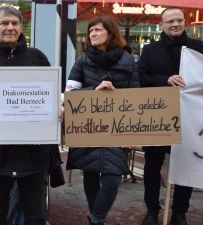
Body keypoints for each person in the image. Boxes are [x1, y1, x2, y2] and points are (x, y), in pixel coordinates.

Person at [0, 6, 63, 225]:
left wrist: (58, 110)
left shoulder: (37, 57)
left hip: (32, 154)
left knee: (35, 215)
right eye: (4, 23)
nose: (10, 27)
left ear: (21, 27)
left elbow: (51, 96)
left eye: (15, 23)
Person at [65, 16, 139, 225]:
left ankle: (97, 219)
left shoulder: (128, 62)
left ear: (111, 33)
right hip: (88, 128)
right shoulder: (82, 61)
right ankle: (93, 212)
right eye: (91, 31)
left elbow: (136, 98)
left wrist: (131, 133)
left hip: (117, 130)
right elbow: (70, 95)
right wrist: (93, 91)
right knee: (90, 174)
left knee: (112, 178)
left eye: (97, 30)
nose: (92, 34)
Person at [138, 7, 203, 225]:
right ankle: (152, 210)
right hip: (158, 117)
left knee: (185, 165)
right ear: (161, 25)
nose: (175, 24)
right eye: (170, 21)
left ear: (185, 22)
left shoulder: (199, 48)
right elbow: (141, 78)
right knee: (152, 165)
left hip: (190, 118)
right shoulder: (150, 50)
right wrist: (165, 80)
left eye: (179, 20)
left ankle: (180, 211)